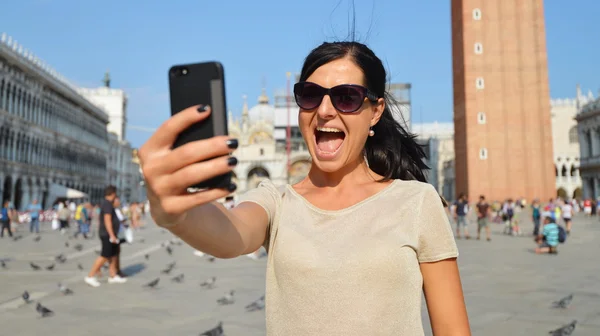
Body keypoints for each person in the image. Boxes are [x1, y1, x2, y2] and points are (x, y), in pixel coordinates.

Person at [139, 41, 471, 335]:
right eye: (311, 95)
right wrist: (174, 211)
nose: (325, 111)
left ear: (375, 111)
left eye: (347, 97)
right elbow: (231, 234)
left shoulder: (415, 202)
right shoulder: (276, 201)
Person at [84, 186, 127, 287]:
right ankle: (90, 276)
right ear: (113, 194)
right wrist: (111, 235)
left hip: (109, 233)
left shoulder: (107, 204)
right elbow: (107, 220)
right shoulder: (107, 204)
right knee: (105, 255)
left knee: (113, 255)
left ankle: (113, 275)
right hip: (107, 234)